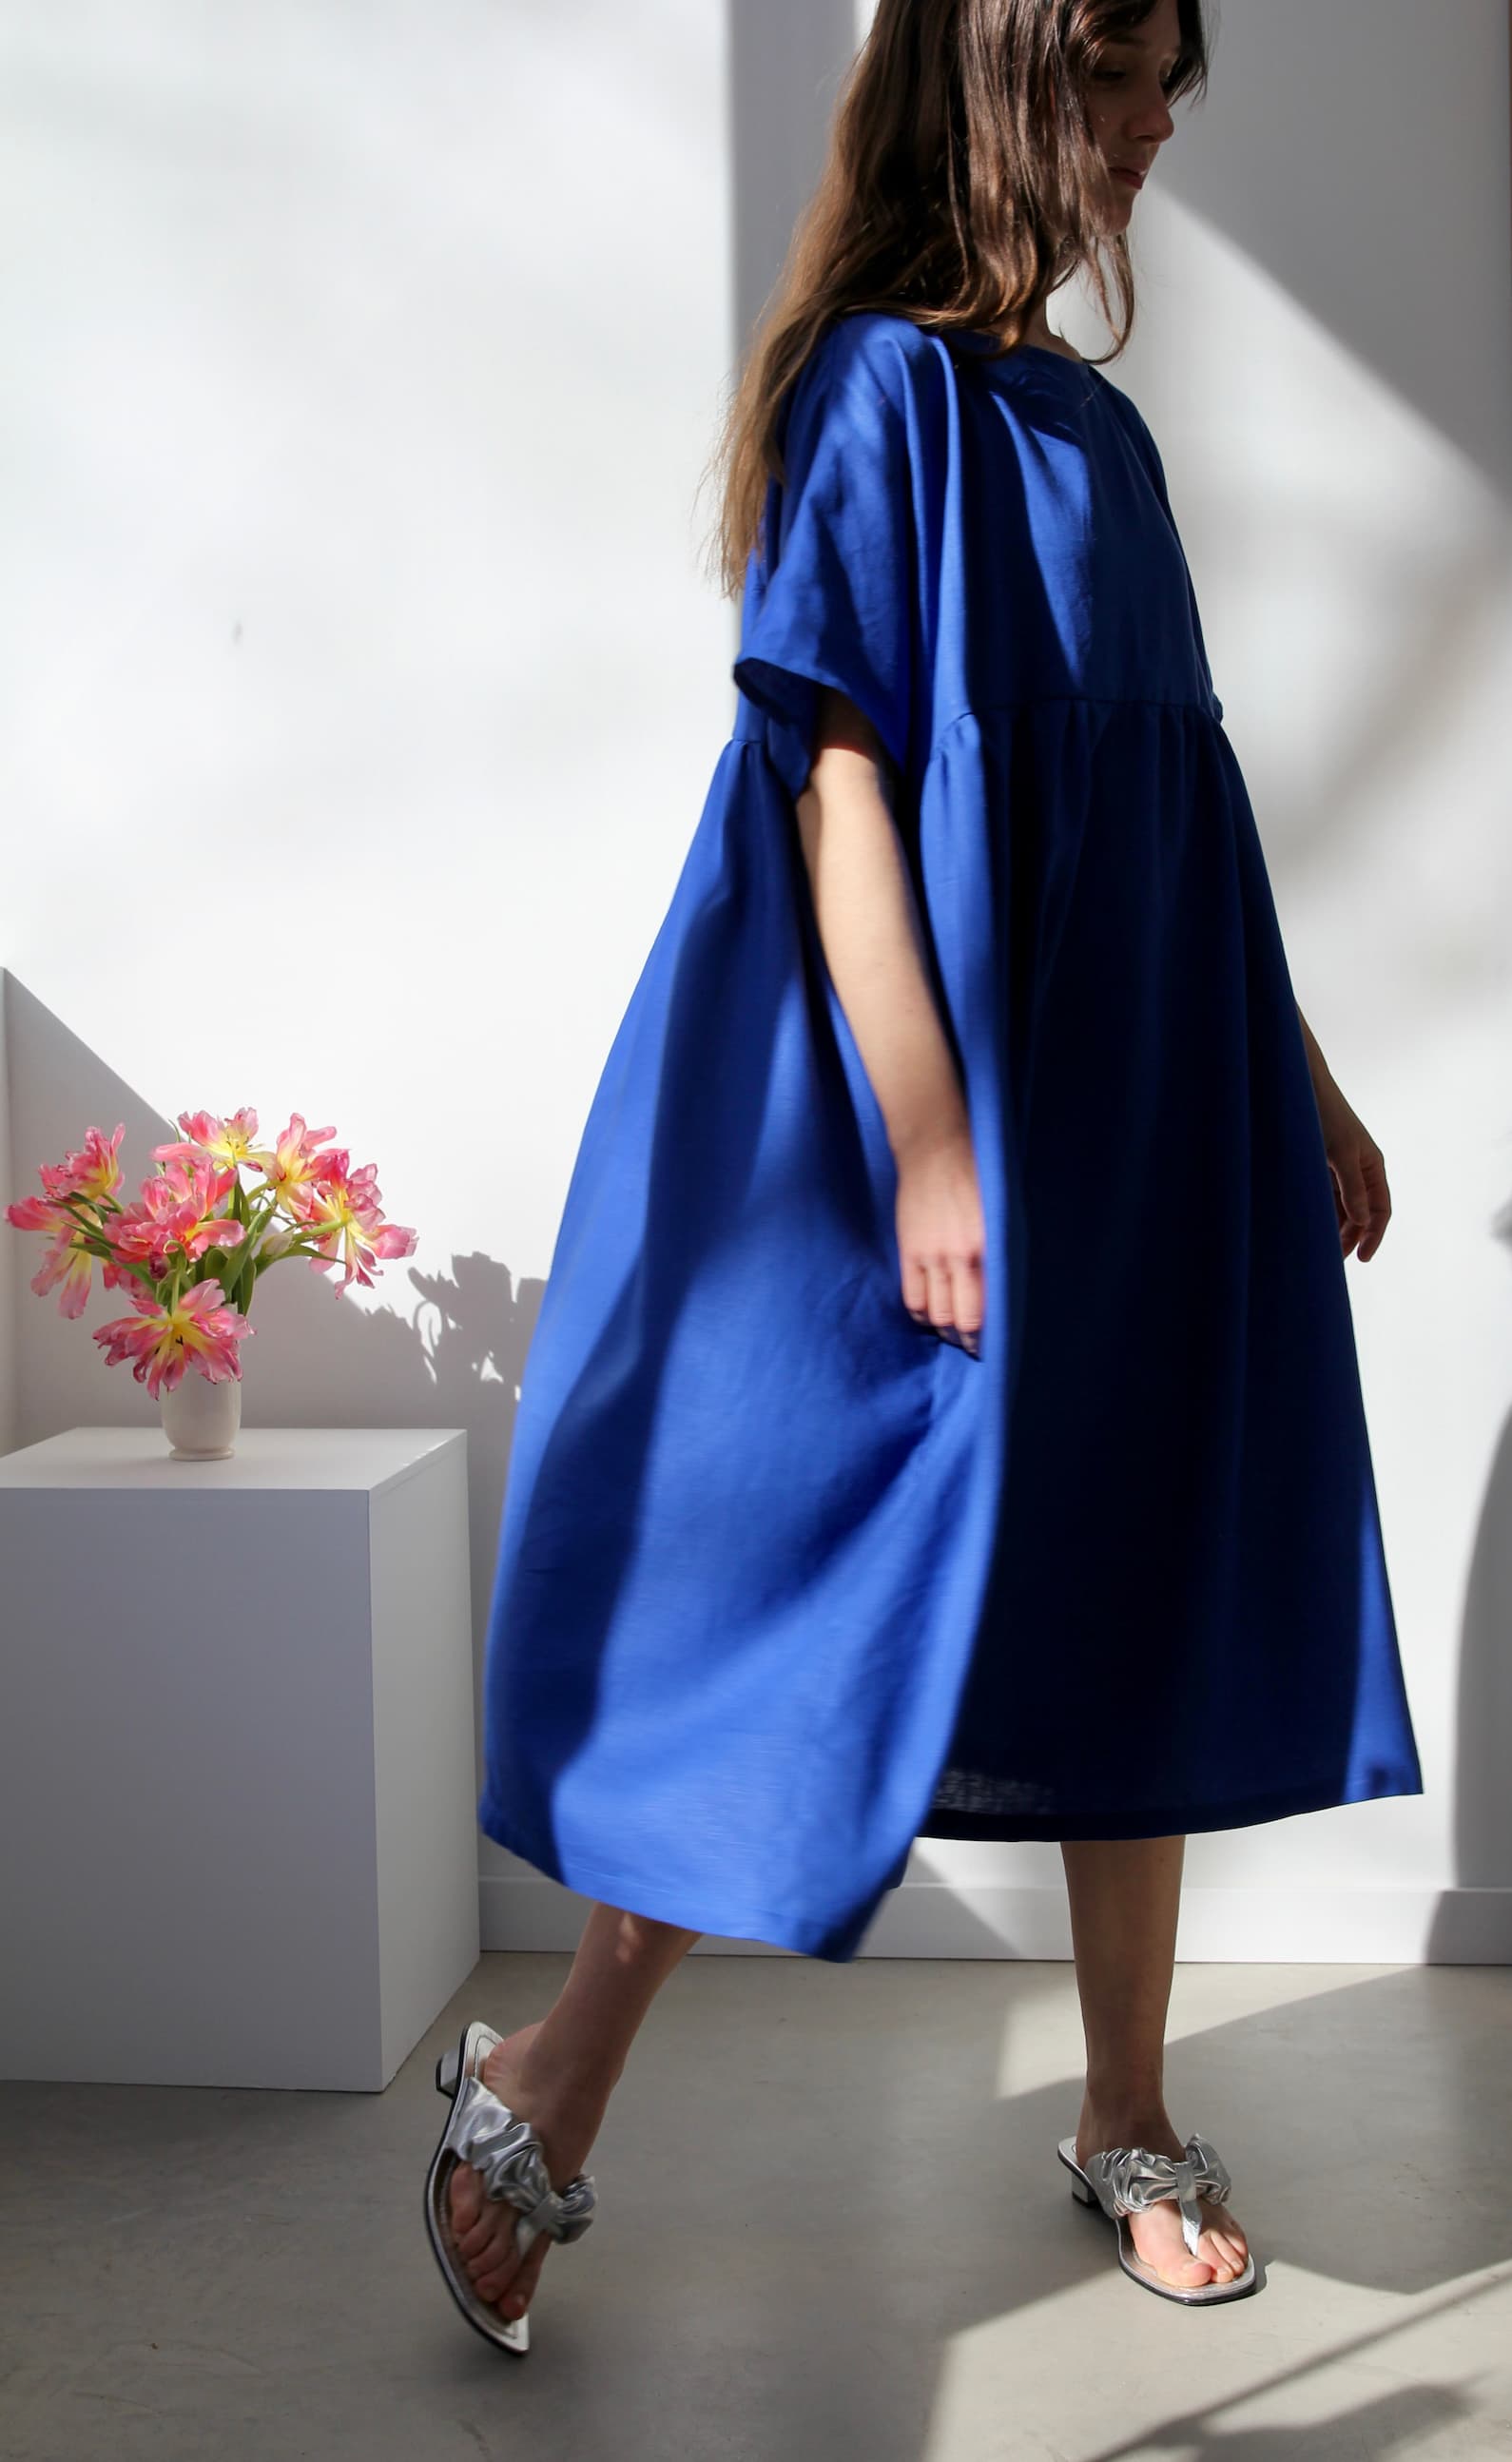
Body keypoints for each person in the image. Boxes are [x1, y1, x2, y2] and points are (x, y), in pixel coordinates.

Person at [428, 0, 1424, 2344]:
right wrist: (932, 1132)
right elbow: (840, 778)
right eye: (1123, 75)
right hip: (944, 1095)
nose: (1160, 126)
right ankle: (550, 2081)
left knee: (1135, 1567)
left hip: (1151, 1090)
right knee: (812, 1566)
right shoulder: (882, 391)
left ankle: (1128, 2106)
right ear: (1002, 81)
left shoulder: (1108, 433)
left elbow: (1179, 799)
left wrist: (1303, 1072)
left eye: (1178, 84)